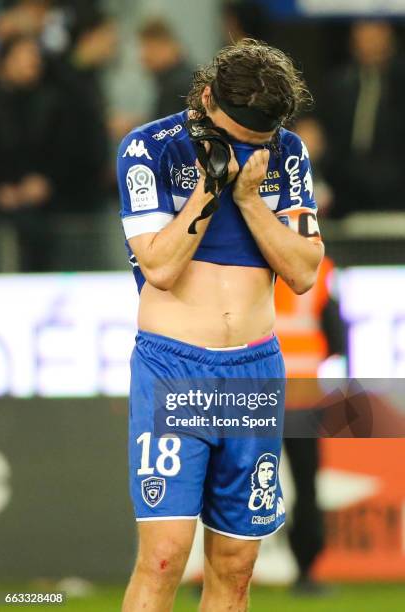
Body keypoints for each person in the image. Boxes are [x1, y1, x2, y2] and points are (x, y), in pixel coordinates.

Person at [117, 39, 324, 611]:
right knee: (164, 554)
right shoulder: (149, 148)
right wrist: (209, 189)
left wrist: (253, 201)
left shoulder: (288, 152)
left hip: (254, 372)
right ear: (206, 98)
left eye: (254, 143)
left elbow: (305, 272)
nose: (243, 150)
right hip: (175, 366)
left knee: (235, 565)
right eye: (233, 135)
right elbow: (159, 266)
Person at [0, 34, 109, 271]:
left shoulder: (54, 101)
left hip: (51, 207)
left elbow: (70, 150)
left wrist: (44, 181)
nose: (32, 62)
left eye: (35, 57)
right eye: (24, 56)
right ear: (5, 62)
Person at [275, 256, 344, 595]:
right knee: (306, 485)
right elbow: (336, 335)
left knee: (234, 481)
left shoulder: (240, 260)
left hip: (251, 395)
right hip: (302, 394)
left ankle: (217, 571)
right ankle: (306, 572)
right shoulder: (318, 266)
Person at [321, 20, 405, 218]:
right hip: (347, 190)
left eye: (375, 30)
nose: (368, 39)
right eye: (361, 31)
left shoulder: (401, 82)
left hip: (397, 189)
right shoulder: (338, 84)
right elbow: (324, 133)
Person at [137, 18, 194, 122]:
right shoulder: (184, 78)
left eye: (150, 48)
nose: (144, 56)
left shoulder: (177, 86)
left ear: (169, 46)